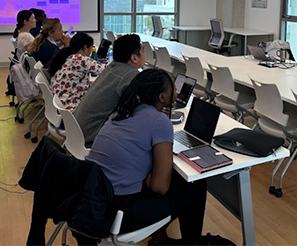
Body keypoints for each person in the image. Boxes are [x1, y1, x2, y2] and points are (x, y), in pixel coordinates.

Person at [84, 69, 207, 246]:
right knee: (195, 184)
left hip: (92, 198)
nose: (176, 90)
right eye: (172, 87)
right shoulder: (159, 122)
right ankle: (192, 243)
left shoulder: (121, 111)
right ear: (162, 97)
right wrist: (148, 177)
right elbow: (160, 187)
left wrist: (146, 174)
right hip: (116, 213)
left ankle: (160, 238)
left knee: (163, 174)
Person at [75, 34, 145, 146]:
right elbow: (142, 106)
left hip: (77, 131)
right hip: (91, 137)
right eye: (143, 51)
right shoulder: (129, 74)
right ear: (134, 58)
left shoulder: (112, 67)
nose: (144, 55)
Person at [49, 32, 105, 111]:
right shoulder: (79, 59)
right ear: (85, 48)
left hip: (62, 102)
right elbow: (105, 70)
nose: (90, 52)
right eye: (91, 48)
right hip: (71, 105)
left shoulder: (66, 56)